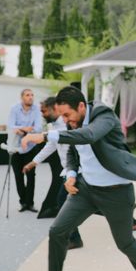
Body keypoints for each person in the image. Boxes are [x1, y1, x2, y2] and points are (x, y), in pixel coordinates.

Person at [20, 86, 136, 271]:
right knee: (57, 231)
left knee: (125, 242)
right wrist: (71, 174)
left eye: (68, 114)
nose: (65, 120)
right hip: (86, 190)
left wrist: (46, 136)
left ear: (82, 106)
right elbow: (73, 152)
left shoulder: (104, 116)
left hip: (116, 193)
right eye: (62, 116)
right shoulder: (73, 123)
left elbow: (88, 136)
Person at [23, 97, 83, 249]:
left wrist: (41, 136)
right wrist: (34, 162)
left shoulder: (68, 123)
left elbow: (60, 138)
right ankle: (74, 238)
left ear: (54, 108)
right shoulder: (54, 126)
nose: (42, 114)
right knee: (68, 201)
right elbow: (51, 145)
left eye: (44, 111)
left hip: (79, 170)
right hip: (70, 171)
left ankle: (74, 239)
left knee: (65, 201)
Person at [7, 88, 42, 212]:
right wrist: (27, 128)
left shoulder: (36, 109)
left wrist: (21, 129)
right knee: (18, 176)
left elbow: (38, 128)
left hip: (31, 147)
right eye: (28, 95)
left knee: (31, 175)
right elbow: (11, 126)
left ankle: (30, 203)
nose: (31, 97)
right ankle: (23, 202)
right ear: (22, 97)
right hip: (16, 148)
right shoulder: (14, 109)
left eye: (32, 95)